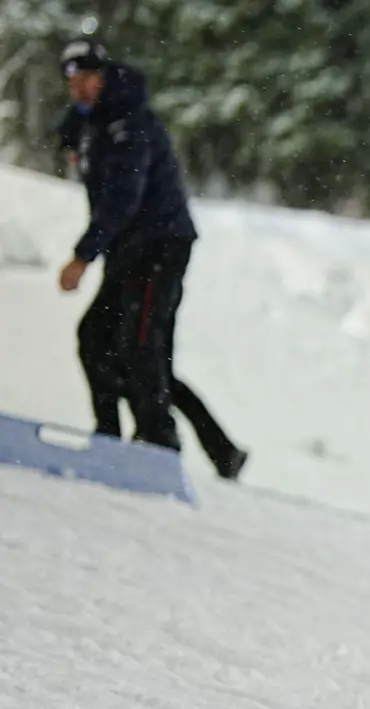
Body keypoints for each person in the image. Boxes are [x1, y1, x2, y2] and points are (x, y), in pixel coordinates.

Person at [54, 40, 247, 480]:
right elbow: (77, 142)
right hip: (129, 248)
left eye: (88, 76)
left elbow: (123, 199)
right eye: (73, 79)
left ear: (105, 76)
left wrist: (83, 256)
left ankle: (158, 447)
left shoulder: (129, 124)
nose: (80, 86)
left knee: (141, 349)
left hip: (160, 245)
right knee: (97, 339)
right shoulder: (93, 125)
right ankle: (116, 437)